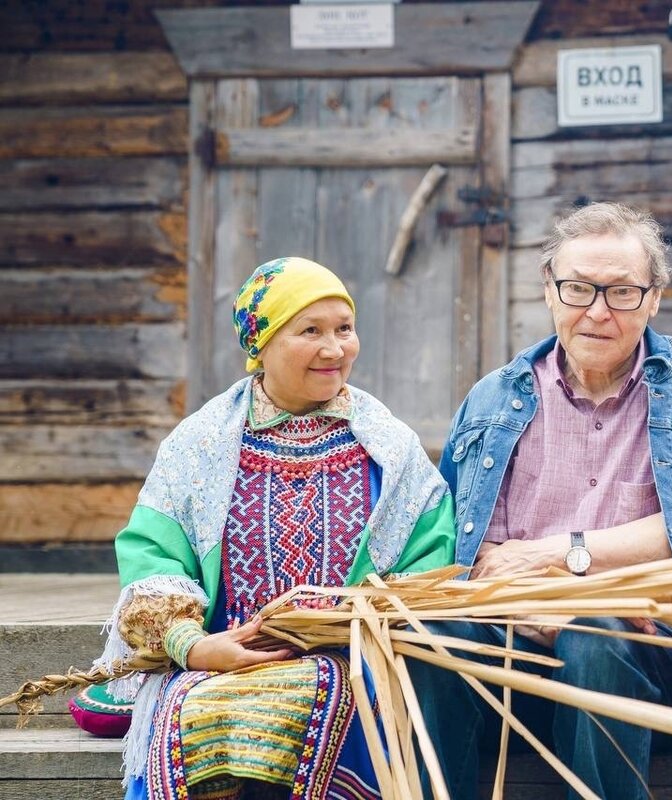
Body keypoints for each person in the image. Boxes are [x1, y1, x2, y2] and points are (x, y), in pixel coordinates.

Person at [410, 202, 672, 799]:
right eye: (578, 289)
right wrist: (536, 607)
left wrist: (565, 560)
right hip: (519, 635)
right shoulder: (493, 401)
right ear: (549, 292)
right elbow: (470, 552)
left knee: (594, 632)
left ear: (653, 298)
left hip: (663, 654)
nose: (598, 311)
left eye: (623, 292)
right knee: (435, 632)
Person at [85, 257, 455, 799]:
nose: (336, 349)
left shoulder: (388, 447)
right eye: (311, 331)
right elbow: (153, 562)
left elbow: (430, 563)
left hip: (351, 659)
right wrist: (197, 647)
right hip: (223, 654)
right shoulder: (202, 444)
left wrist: (355, 622)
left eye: (344, 329)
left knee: (331, 697)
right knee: (190, 710)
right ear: (262, 343)